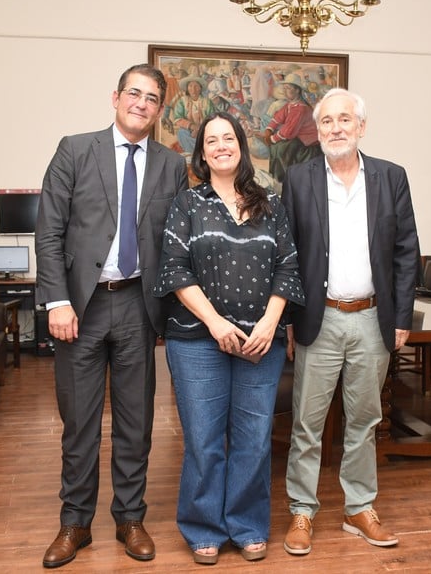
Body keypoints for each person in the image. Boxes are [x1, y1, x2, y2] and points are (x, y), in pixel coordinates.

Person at [35, 63, 189, 569]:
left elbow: (179, 241)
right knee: (79, 422)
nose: (141, 104)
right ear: (116, 97)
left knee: (135, 420)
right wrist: (57, 300)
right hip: (80, 307)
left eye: (152, 98)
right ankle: (74, 523)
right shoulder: (75, 150)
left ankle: (130, 518)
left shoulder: (171, 164)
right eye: (134, 94)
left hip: (138, 308)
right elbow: (50, 231)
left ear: (160, 110)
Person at [154, 111, 305, 565]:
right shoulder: (187, 204)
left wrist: (269, 324)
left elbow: (289, 267)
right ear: (201, 153)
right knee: (202, 439)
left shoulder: (272, 204)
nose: (221, 145)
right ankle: (203, 527)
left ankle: (248, 524)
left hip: (262, 340)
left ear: (241, 145)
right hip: (197, 340)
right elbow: (175, 269)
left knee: (254, 438)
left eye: (228, 138)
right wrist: (216, 323)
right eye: (211, 140)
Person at [279, 88, 420, 555]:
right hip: (319, 319)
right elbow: (289, 254)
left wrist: (401, 317)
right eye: (326, 122)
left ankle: (359, 508)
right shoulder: (298, 179)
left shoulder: (390, 177)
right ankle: (302, 510)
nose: (335, 129)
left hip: (372, 319)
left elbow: (406, 252)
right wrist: (290, 321)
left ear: (361, 127)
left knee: (365, 419)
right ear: (316, 131)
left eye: (345, 120)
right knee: (307, 422)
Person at [256, 73, 322, 183]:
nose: (286, 91)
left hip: (308, 143)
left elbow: (289, 131)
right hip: (298, 137)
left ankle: (281, 179)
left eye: (289, 88)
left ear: (297, 90)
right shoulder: (290, 105)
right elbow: (278, 118)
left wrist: (271, 139)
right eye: (285, 88)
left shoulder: (301, 108)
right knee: (277, 146)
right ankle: (276, 176)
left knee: (280, 148)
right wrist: (269, 130)